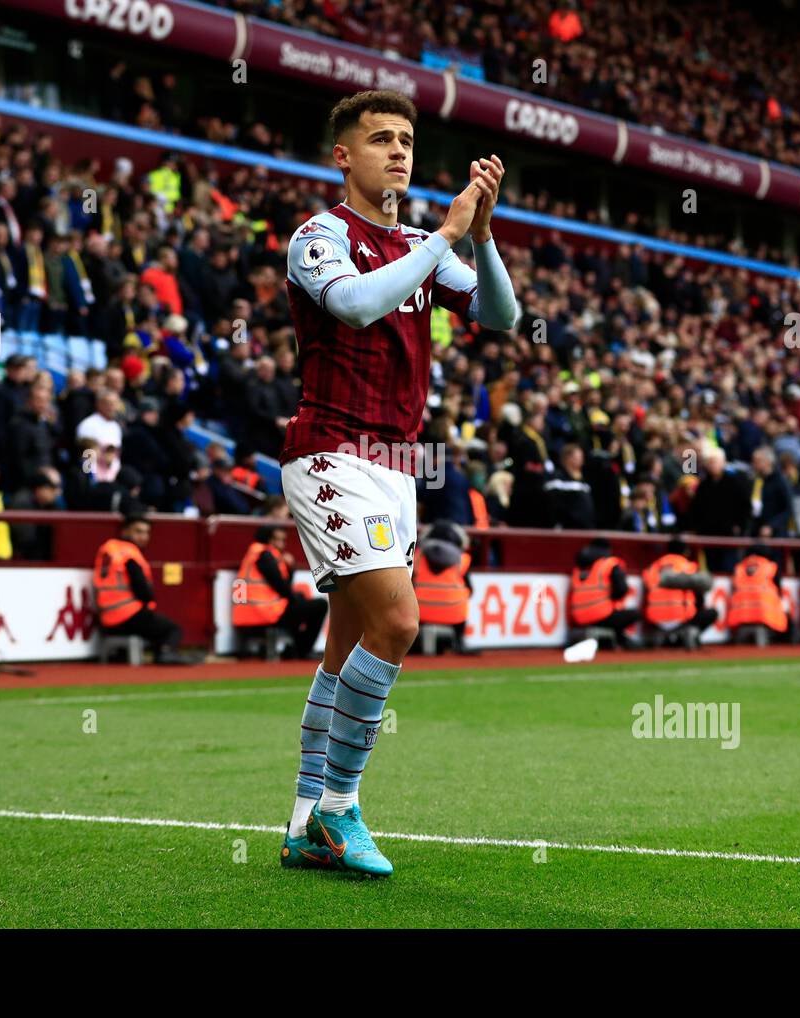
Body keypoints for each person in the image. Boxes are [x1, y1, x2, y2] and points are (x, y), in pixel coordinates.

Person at [276, 90, 517, 876]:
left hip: (398, 468)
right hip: (330, 452)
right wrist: (446, 234)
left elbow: (500, 315)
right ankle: (343, 810)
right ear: (343, 156)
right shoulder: (320, 235)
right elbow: (352, 306)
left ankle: (304, 817)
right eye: (381, 139)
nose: (399, 152)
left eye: (407, 140)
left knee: (346, 645)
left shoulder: (424, 242)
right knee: (400, 624)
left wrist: (479, 238)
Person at [93, 514, 197, 663]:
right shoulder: (128, 553)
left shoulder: (108, 549)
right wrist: (149, 600)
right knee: (173, 629)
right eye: (139, 531)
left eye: (146, 532)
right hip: (127, 615)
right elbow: (142, 589)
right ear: (126, 531)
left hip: (105, 618)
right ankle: (165, 653)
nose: (144, 537)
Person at [231, 525, 329, 659]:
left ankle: (296, 648)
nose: (282, 544)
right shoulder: (266, 556)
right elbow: (283, 588)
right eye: (279, 540)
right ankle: (302, 650)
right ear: (270, 540)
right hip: (264, 614)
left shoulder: (254, 553)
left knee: (298, 603)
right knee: (319, 605)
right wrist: (290, 568)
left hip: (248, 613)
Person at [411, 521, 477, 653]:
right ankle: (459, 642)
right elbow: (470, 590)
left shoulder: (417, 555)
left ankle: (412, 644)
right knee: (462, 600)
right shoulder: (462, 559)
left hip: (420, 614)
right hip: (454, 614)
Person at [641, 536, 717, 645]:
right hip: (681, 619)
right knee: (711, 612)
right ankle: (689, 633)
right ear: (684, 550)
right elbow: (703, 589)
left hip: (655, 622)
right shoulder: (687, 566)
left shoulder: (653, 567)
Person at [566, 536, 639, 646]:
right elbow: (622, 589)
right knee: (634, 614)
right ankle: (621, 640)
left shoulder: (577, 569)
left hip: (578, 618)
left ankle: (617, 639)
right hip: (601, 616)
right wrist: (611, 599)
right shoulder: (609, 564)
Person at [726, 543, 788, 642]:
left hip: (740, 616)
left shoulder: (739, 568)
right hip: (764, 616)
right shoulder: (770, 566)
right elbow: (779, 591)